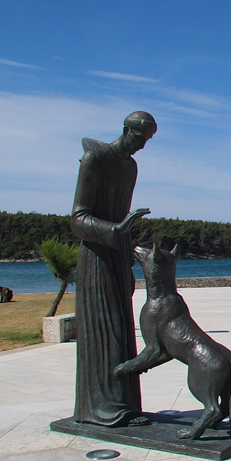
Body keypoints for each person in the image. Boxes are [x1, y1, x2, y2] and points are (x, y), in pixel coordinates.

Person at [70, 111, 155, 426]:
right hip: (96, 258)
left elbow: (123, 221)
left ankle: (125, 405)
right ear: (126, 130)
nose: (142, 146)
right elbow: (78, 219)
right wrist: (116, 230)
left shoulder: (130, 167)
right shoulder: (94, 159)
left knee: (121, 332)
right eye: (140, 138)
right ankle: (101, 409)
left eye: (147, 141)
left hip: (117, 257)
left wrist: (127, 253)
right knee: (104, 333)